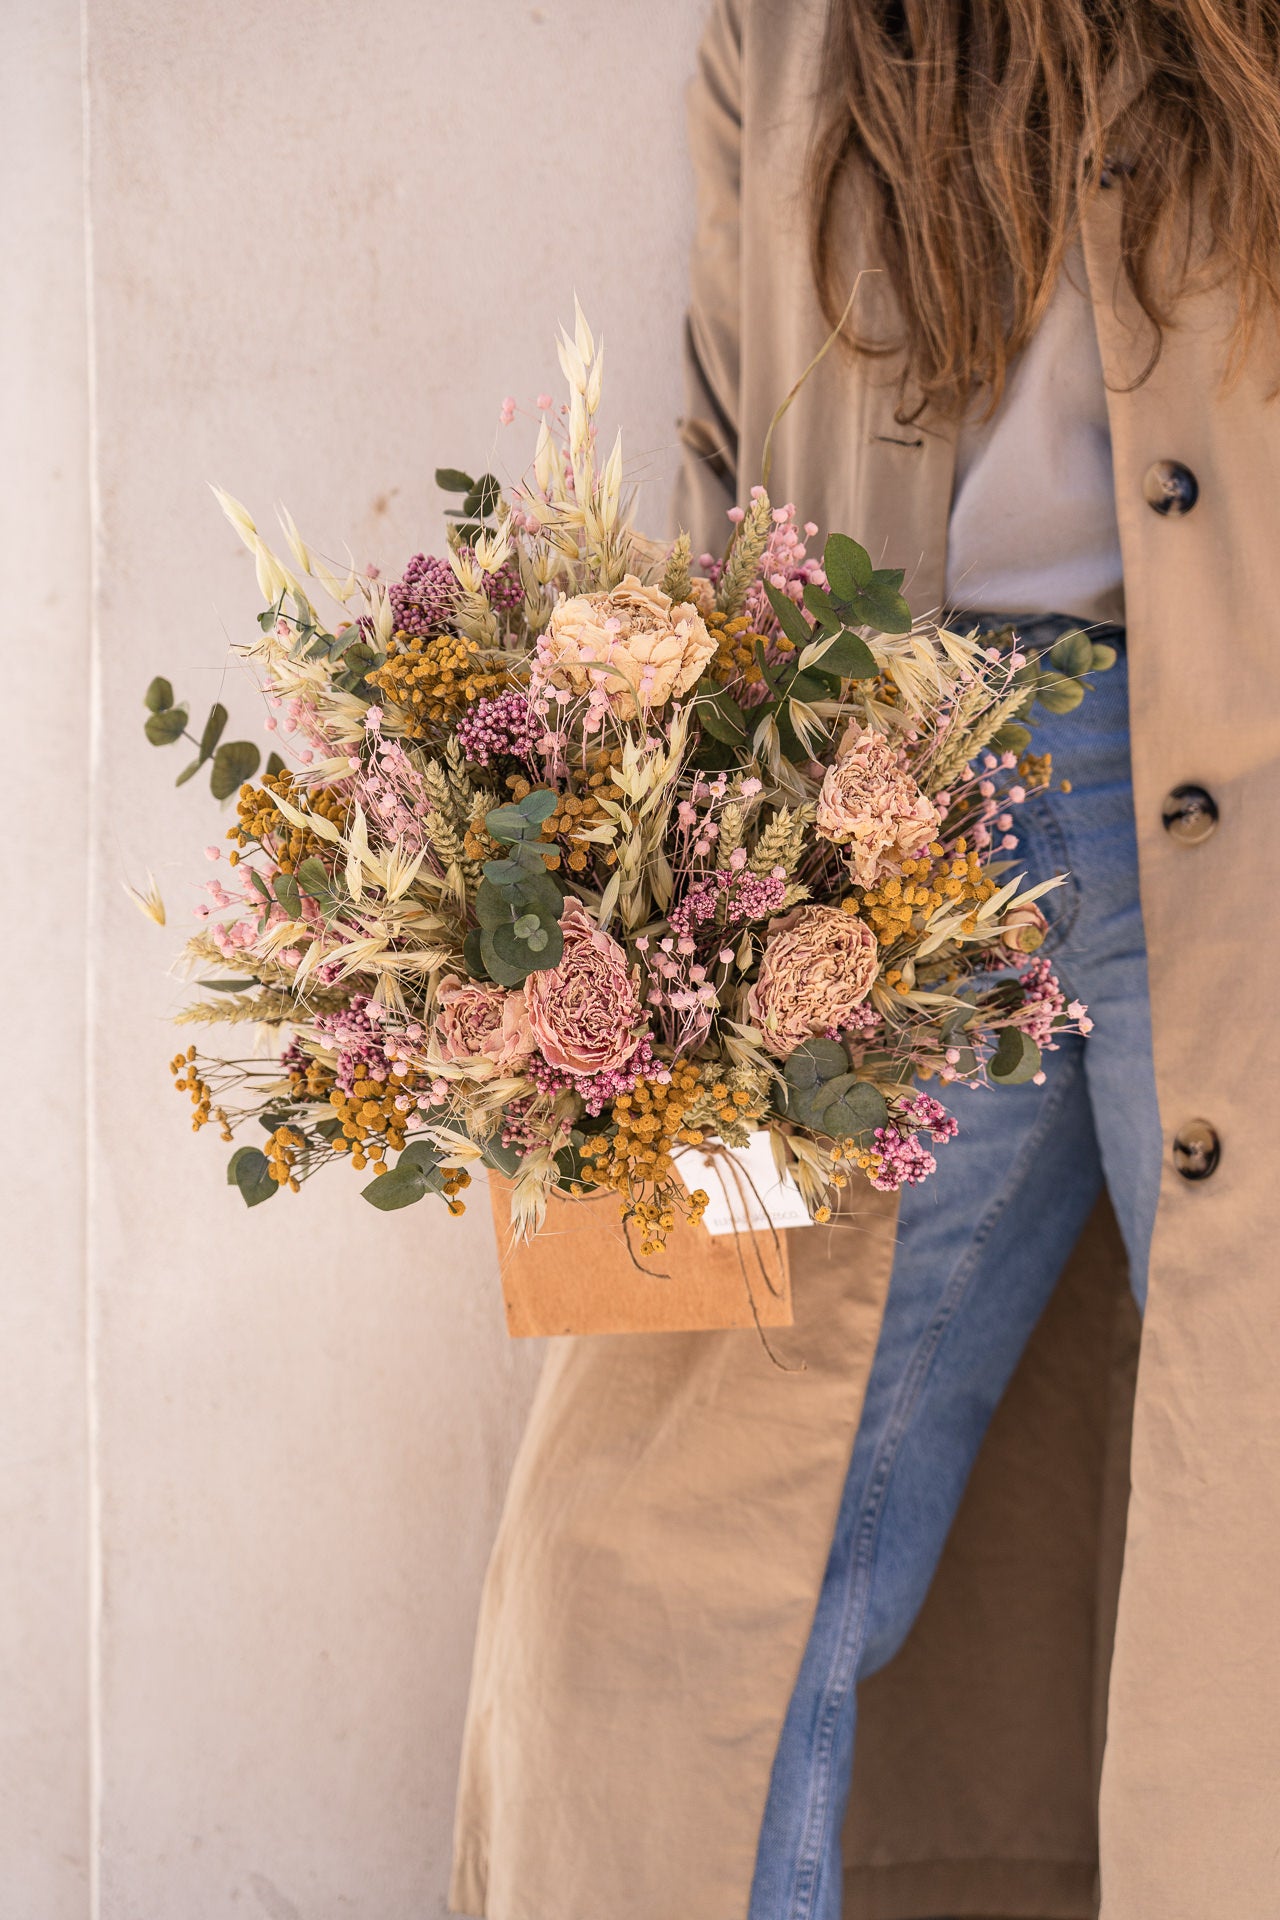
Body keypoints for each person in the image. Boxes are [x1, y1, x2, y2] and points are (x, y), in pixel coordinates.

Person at [450, 6, 1280, 1918]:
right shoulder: (801, 27)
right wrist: (647, 884)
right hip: (863, 849)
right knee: (655, 1561)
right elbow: (730, 452)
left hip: (1228, 819)